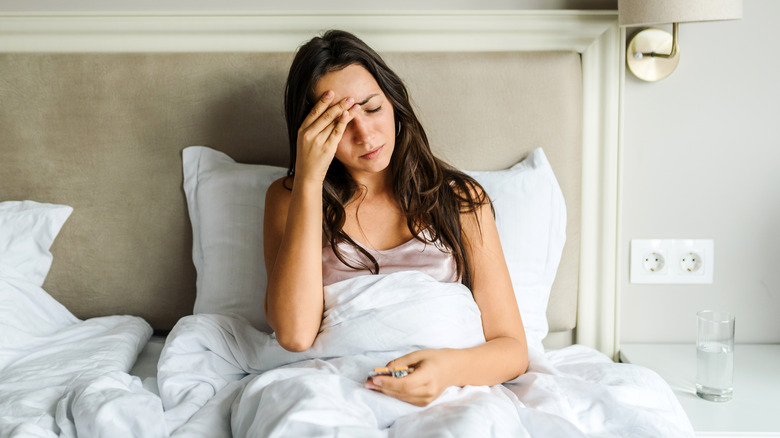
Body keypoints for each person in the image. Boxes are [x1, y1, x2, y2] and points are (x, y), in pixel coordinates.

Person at [263, 29, 528, 407]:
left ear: (394, 103)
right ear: (311, 131)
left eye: (372, 109)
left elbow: (513, 350)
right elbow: (294, 334)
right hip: (335, 390)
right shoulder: (289, 198)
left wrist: (448, 370)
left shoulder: (460, 200)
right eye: (339, 124)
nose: (365, 134)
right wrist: (308, 179)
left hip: (449, 391)